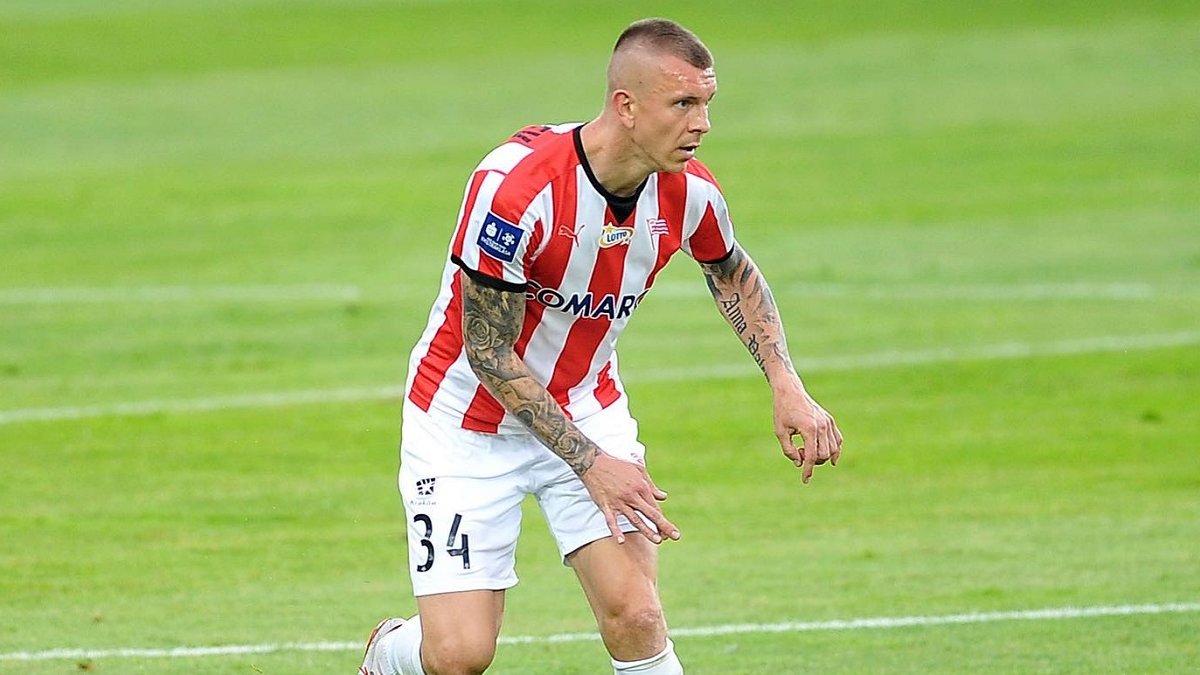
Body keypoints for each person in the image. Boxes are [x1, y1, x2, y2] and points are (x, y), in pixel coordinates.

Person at [360, 17, 843, 675]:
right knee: (459, 656)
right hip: (463, 423)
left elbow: (730, 269)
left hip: (585, 404)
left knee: (636, 615)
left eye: (707, 103)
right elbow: (488, 352)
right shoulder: (517, 190)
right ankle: (389, 654)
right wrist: (592, 463)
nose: (702, 124)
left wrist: (785, 383)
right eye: (683, 104)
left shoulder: (689, 192)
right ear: (626, 105)